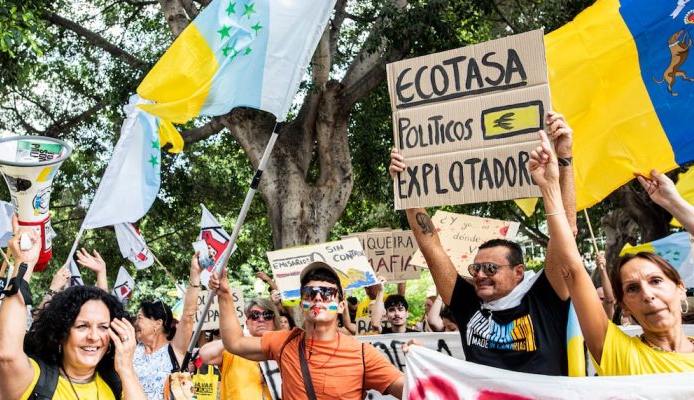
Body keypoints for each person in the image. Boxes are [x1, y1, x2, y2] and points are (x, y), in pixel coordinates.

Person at [388, 111, 574, 375]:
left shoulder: (545, 296)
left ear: (518, 272)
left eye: (490, 268)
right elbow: (431, 246)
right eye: (476, 269)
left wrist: (564, 155)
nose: (480, 275)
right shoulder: (468, 303)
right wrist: (406, 186)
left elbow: (565, 232)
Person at [539, 148, 694, 375]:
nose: (647, 294)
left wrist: (673, 203)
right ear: (624, 307)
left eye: (656, 281)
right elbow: (570, 268)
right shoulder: (616, 352)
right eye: (632, 288)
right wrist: (552, 183)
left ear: (680, 287)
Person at [0, 221, 146, 400]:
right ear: (60, 332)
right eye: (82, 326)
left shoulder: (117, 386)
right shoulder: (33, 380)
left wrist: (126, 368)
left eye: (103, 327)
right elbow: (5, 354)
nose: (94, 336)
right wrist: (24, 263)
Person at [210, 262, 405, 399]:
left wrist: (418, 359)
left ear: (341, 305)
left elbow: (409, 389)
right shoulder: (285, 343)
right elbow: (234, 342)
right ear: (302, 303)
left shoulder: (363, 354)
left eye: (328, 293)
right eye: (310, 294)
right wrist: (225, 295)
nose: (318, 298)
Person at [132, 253, 201, 400]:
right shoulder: (131, 350)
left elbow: (188, 315)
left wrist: (195, 275)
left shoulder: (175, 349)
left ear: (157, 324)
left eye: (140, 318)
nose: (135, 323)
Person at [199, 298, 281, 399]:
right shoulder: (233, 349)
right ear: (247, 323)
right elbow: (206, 355)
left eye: (267, 315)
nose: (261, 319)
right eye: (255, 315)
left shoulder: (284, 347)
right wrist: (234, 340)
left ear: (274, 320)